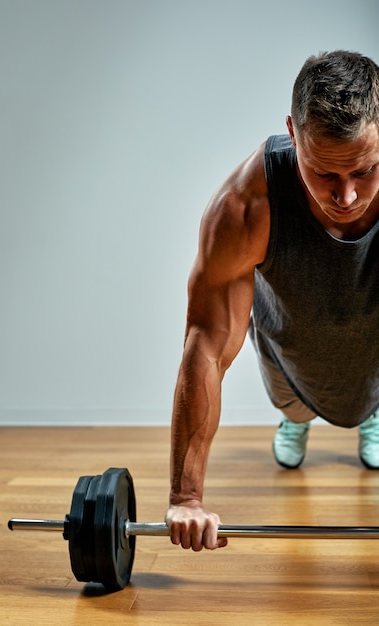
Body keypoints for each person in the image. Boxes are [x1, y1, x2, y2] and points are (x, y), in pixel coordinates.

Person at [165, 50, 379, 552]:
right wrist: (186, 496)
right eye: (324, 173)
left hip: (374, 348)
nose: (345, 198)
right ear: (292, 131)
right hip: (290, 347)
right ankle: (297, 421)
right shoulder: (246, 204)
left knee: (366, 395)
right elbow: (208, 346)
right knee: (296, 407)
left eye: (365, 171)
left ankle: (370, 413)